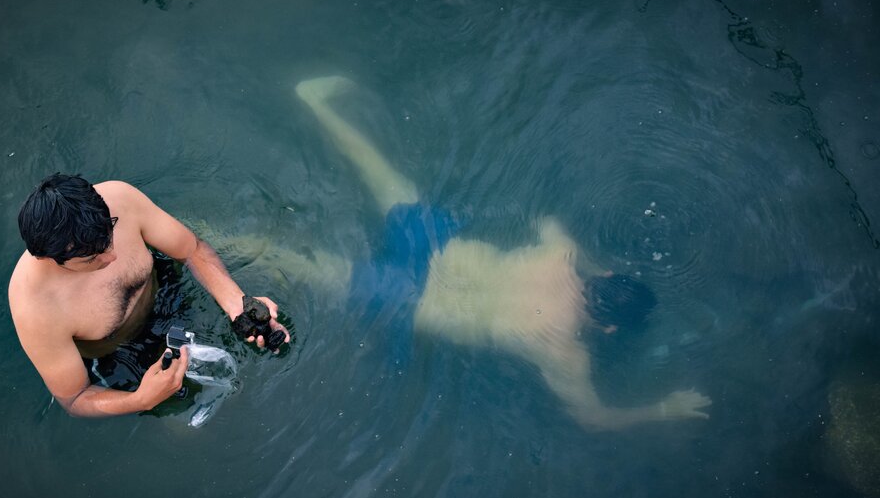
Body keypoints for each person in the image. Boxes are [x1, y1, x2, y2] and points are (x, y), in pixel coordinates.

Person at [218, 75, 710, 431]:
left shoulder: (557, 256)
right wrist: (664, 409)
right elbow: (592, 417)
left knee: (384, 176)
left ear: (605, 274)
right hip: (410, 298)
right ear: (607, 327)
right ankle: (209, 236)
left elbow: (547, 223)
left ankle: (317, 102)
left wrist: (579, 255)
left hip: (433, 247)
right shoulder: (564, 350)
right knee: (298, 262)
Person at [8, 175, 289, 417]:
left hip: (166, 292)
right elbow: (75, 397)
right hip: (123, 353)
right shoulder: (35, 307)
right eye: (92, 257)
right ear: (50, 259)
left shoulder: (119, 198)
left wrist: (237, 304)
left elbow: (190, 250)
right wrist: (139, 400)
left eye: (110, 235)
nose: (112, 255)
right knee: (191, 428)